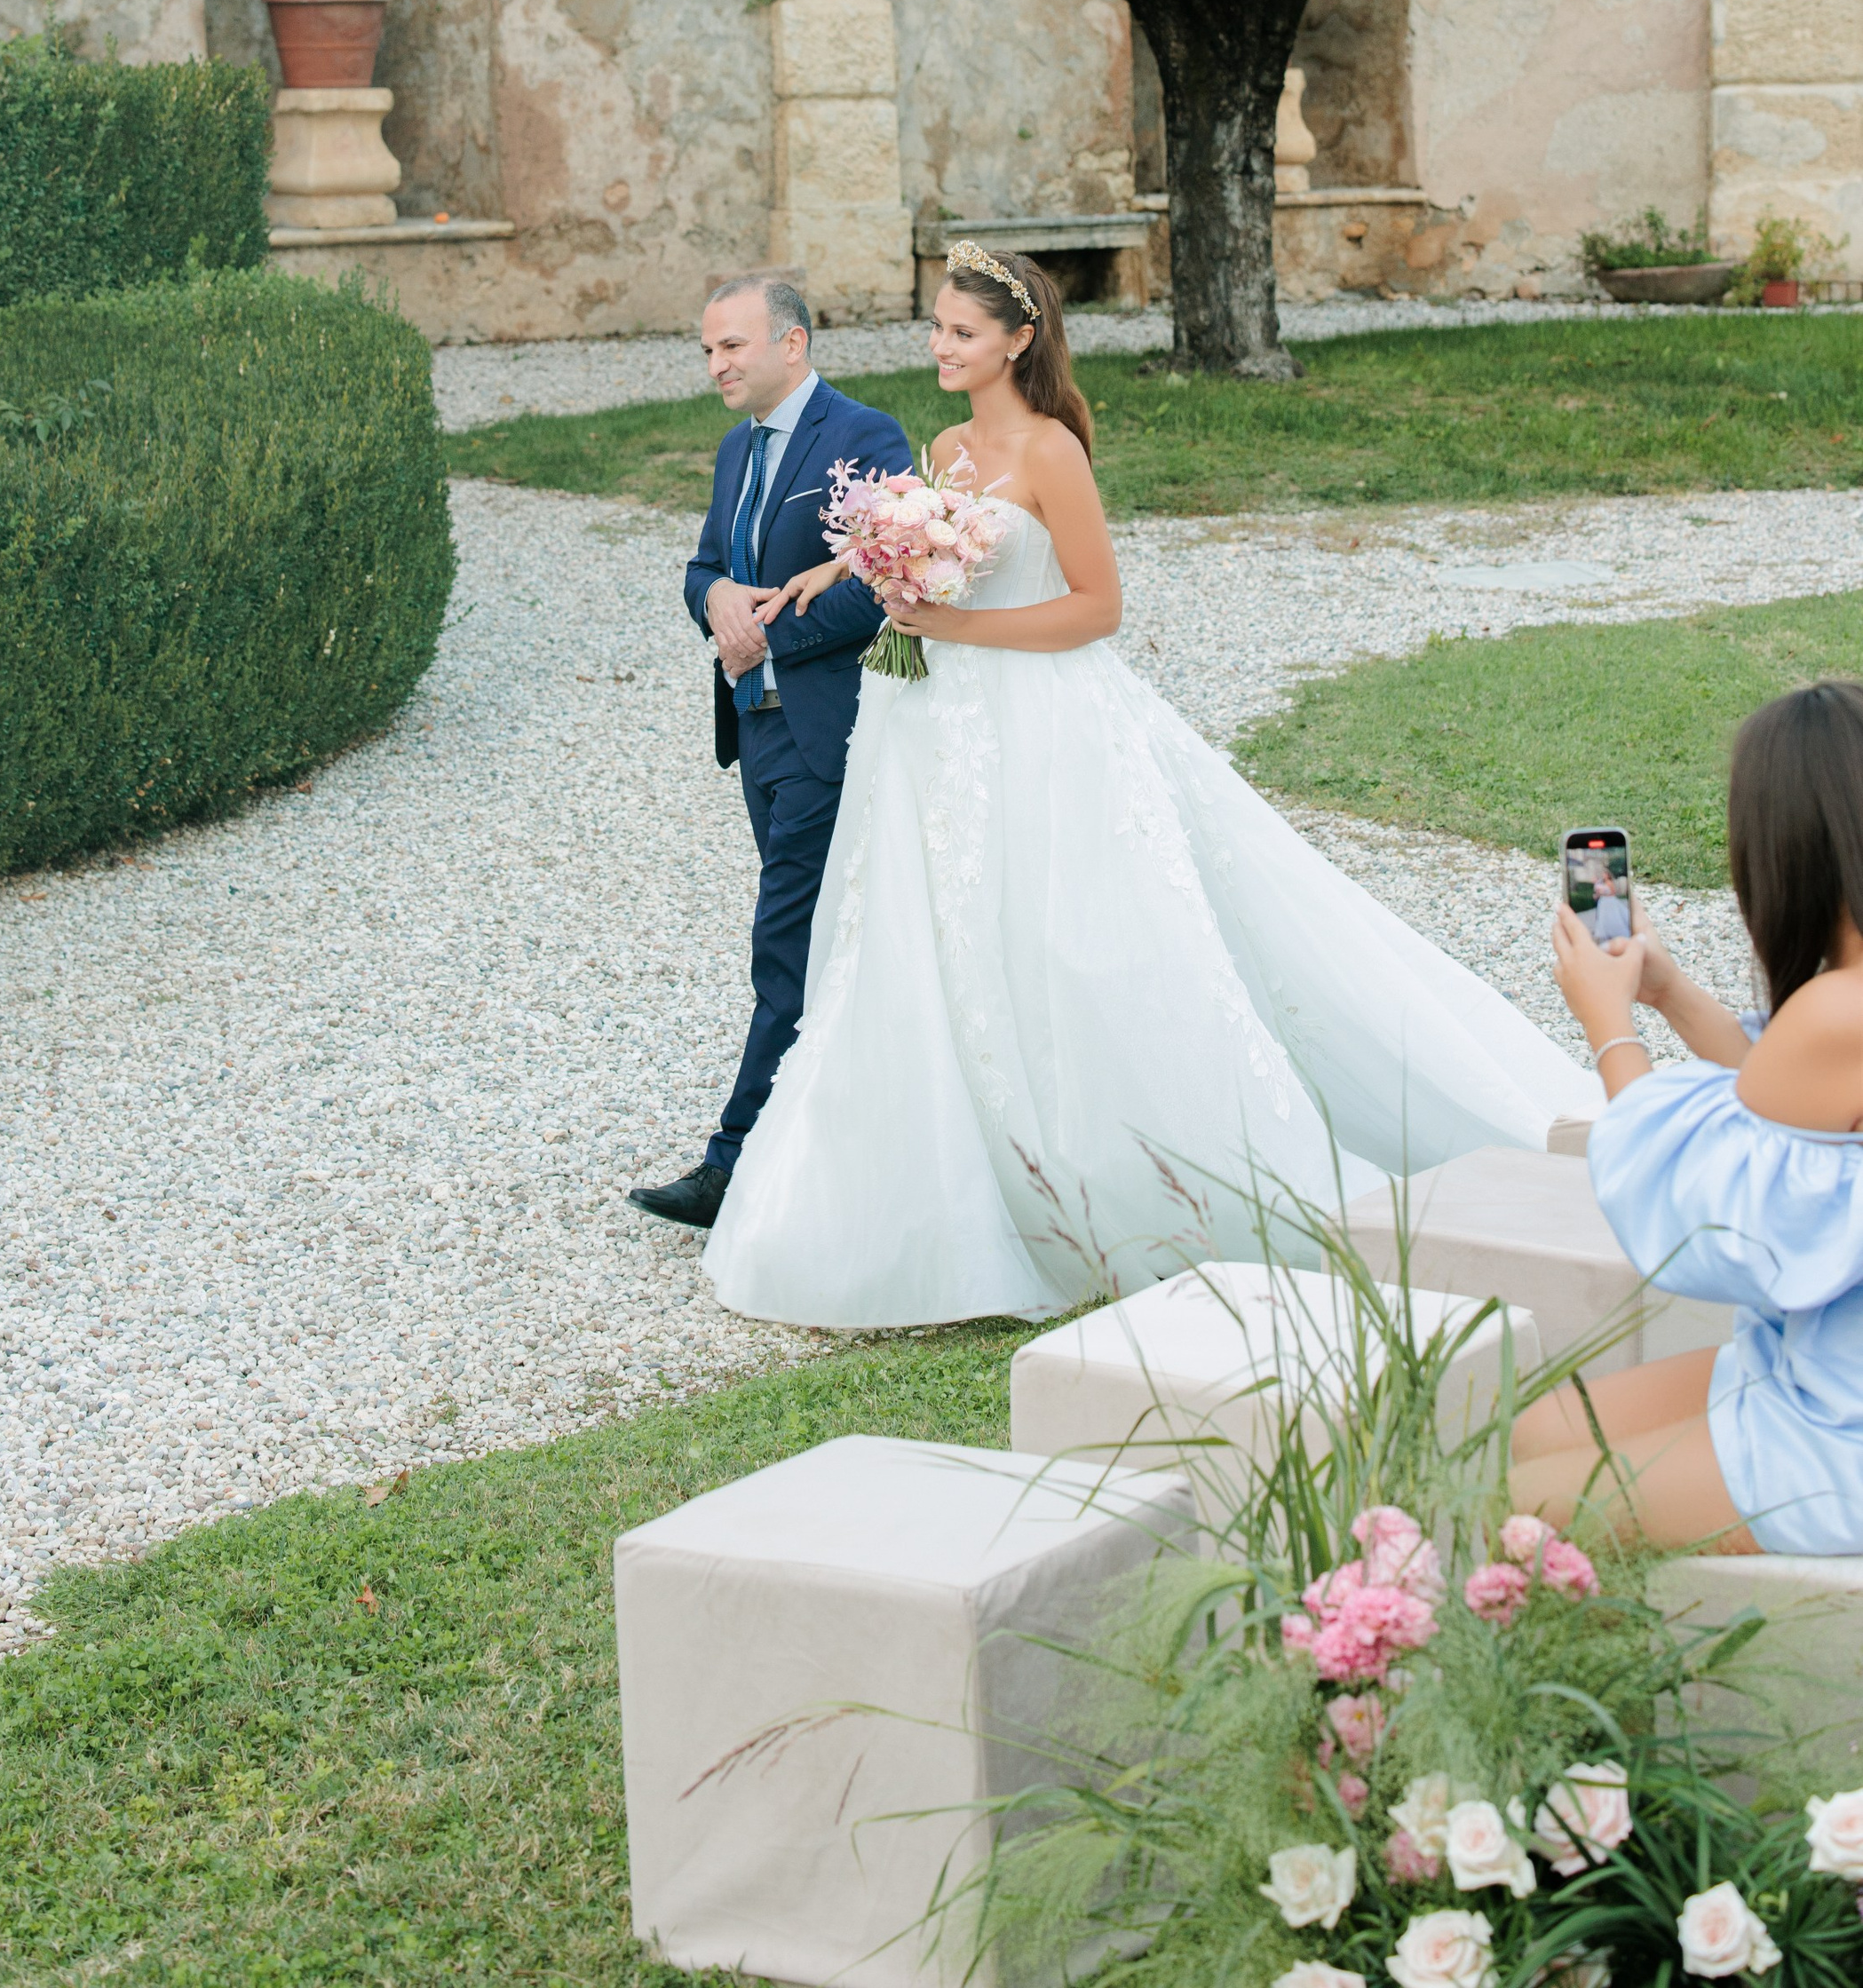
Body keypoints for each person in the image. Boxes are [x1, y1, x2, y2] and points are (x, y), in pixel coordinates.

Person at [700, 241, 1595, 1328]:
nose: (939, 346)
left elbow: (1097, 607)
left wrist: (952, 625)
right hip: (935, 728)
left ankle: (1113, 1171)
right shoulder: (943, 446)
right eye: (936, 327)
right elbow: (918, 536)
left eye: (962, 331)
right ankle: (952, 1183)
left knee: (1067, 938)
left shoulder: (1051, 450)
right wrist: (847, 563)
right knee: (933, 938)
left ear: (1017, 340)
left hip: (1038, 722)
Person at [1518, 678, 1863, 1556]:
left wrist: (1609, 1026)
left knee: (1519, 1513)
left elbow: (1696, 1215)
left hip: (1838, 1428)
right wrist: (1667, 990)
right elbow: (1792, 1104)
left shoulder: (1840, 1010)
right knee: (1538, 1431)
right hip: (1820, 1368)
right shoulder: (1839, 1013)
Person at [626, 271, 914, 1232]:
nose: (716, 364)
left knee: (785, 941)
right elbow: (707, 568)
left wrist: (770, 635)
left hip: (825, 731)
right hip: (756, 728)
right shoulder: (735, 449)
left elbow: (885, 580)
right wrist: (714, 600)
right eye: (708, 349)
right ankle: (835, 1144)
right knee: (822, 939)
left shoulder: (863, 437)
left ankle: (735, 1163)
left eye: (731, 346)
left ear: (792, 343)